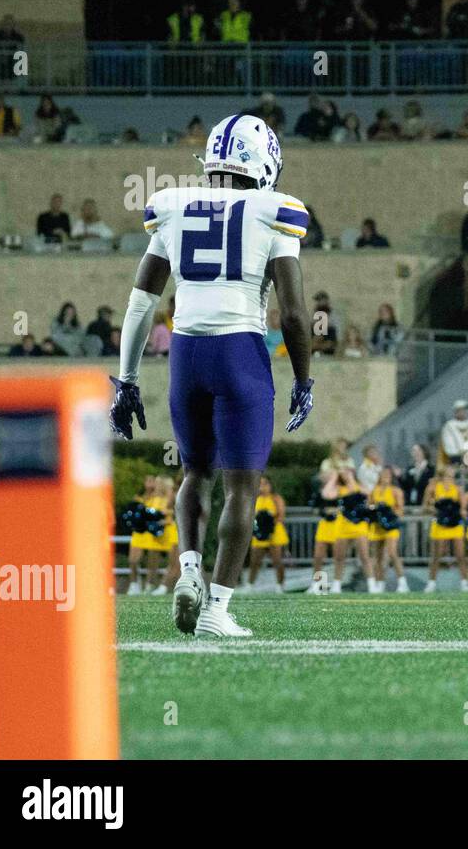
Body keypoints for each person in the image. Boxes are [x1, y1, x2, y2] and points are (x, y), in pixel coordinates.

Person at [107, 113, 314, 638]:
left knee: (195, 473)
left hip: (185, 353)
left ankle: (190, 572)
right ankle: (218, 608)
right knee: (243, 486)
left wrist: (126, 379)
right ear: (263, 159)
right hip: (239, 350)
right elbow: (292, 313)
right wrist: (304, 378)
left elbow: (140, 303)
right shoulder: (277, 209)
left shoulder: (173, 205)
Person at [423, 465, 466, 592]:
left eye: (452, 475)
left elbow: (462, 508)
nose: (451, 477)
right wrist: (438, 510)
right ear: (442, 474)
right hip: (440, 523)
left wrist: (456, 511)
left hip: (455, 523)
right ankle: (431, 582)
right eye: (448, 474)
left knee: (460, 554)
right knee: (437, 555)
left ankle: (465, 582)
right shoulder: (433, 487)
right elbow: (425, 506)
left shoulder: (457, 489)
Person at [368, 467, 408, 593]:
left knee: (392, 552)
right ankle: (379, 583)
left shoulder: (396, 491)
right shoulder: (374, 491)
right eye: (383, 474)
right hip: (377, 526)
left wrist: (388, 511)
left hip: (391, 525)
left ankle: (402, 582)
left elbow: (400, 510)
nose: (385, 476)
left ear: (391, 477)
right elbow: (369, 507)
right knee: (377, 556)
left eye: (388, 474)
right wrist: (376, 510)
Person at [246, 475, 289, 592]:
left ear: (270, 485)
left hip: (274, 532)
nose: (262, 487)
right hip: (260, 533)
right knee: (255, 560)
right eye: (260, 484)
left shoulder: (276, 498)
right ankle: (250, 585)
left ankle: (280, 585)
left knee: (277, 560)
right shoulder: (256, 499)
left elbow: (281, 515)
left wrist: (268, 525)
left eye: (265, 484)